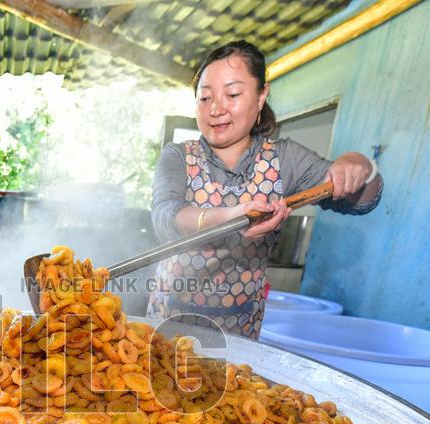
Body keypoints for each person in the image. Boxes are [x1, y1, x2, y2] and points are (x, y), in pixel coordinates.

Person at [148, 40, 383, 338]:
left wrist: (360, 165)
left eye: (232, 94)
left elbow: (362, 200)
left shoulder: (286, 159)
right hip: (171, 318)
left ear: (261, 96)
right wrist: (230, 218)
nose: (216, 109)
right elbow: (165, 217)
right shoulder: (178, 155)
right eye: (204, 98)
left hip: (238, 327)